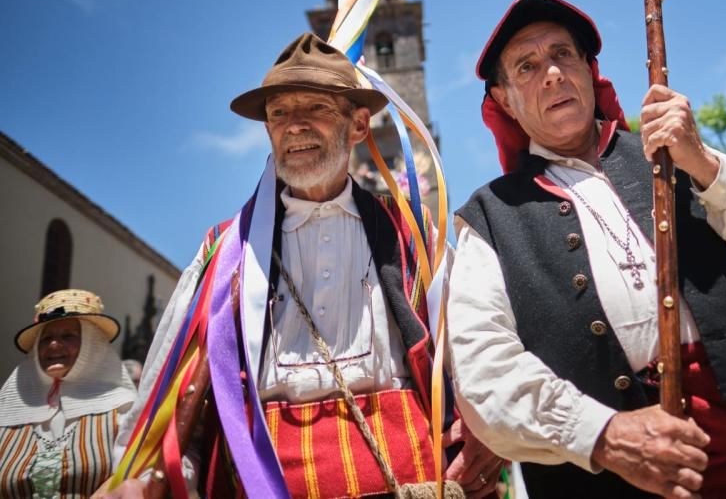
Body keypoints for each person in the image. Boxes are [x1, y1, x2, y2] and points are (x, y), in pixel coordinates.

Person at [447, 0, 726, 498]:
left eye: (563, 54)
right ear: (503, 101)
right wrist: (603, 435)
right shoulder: (490, 217)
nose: (553, 74)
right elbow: (481, 368)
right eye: (527, 66)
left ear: (589, 69)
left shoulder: (678, 157)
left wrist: (707, 167)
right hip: (603, 479)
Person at [105, 33, 500, 498]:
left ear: (357, 126)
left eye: (315, 109)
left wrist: (489, 435)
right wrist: (145, 476)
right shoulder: (225, 251)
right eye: (278, 114)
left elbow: (475, 352)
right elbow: (174, 392)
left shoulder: (413, 237)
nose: (294, 127)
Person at [0, 289, 136, 497]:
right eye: (46, 339)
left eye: (67, 336)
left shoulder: (124, 409)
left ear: (92, 344)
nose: (54, 344)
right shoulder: (6, 415)